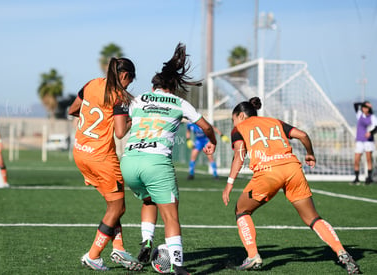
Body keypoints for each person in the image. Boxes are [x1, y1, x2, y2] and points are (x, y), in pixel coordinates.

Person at [222, 97, 360, 274]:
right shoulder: (274, 122)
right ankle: (341, 252)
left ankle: (253, 256)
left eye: (233, 119)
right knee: (313, 218)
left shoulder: (239, 128)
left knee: (241, 210)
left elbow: (240, 155)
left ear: (240, 115)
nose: (233, 123)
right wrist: (310, 154)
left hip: (267, 172)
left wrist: (229, 184)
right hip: (293, 169)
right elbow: (302, 135)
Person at [120, 43, 217, 275]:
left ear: (153, 85)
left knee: (148, 200)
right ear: (172, 87)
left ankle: (146, 241)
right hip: (156, 163)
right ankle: (179, 266)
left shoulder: (138, 100)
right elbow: (206, 126)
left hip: (130, 162)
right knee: (171, 216)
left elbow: (124, 125)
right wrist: (211, 140)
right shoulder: (180, 103)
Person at [68, 57, 142, 271]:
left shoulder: (91, 84)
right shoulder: (118, 96)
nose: (129, 85)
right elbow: (120, 132)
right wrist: (135, 118)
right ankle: (93, 255)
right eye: (130, 81)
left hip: (81, 152)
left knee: (114, 205)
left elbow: (73, 109)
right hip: (102, 158)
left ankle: (118, 247)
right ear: (124, 75)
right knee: (118, 206)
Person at [352, 101, 377, 185]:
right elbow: (355, 104)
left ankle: (369, 178)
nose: (365, 109)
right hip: (359, 141)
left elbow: (376, 127)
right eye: (364, 107)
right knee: (356, 160)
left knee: (369, 159)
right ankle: (356, 178)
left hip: (368, 141)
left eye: (366, 107)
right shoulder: (359, 115)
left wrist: (370, 133)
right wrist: (364, 103)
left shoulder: (372, 117)